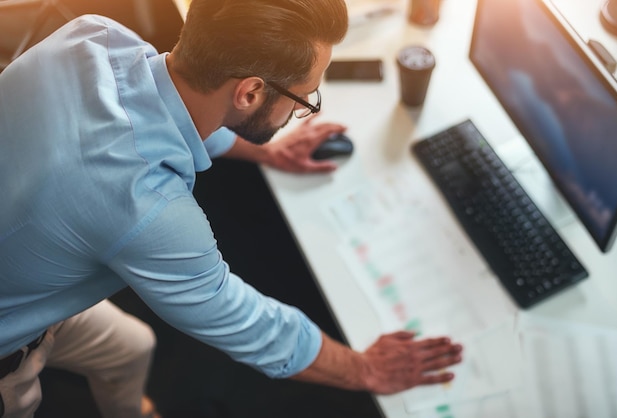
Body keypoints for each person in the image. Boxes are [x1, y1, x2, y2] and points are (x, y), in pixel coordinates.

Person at [0, 0, 463, 416]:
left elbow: (166, 102)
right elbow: (250, 323)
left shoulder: (95, 35)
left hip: (20, 238)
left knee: (132, 347)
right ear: (250, 94)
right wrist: (363, 369)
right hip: (9, 345)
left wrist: (264, 151)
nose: (304, 111)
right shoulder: (148, 208)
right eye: (304, 99)